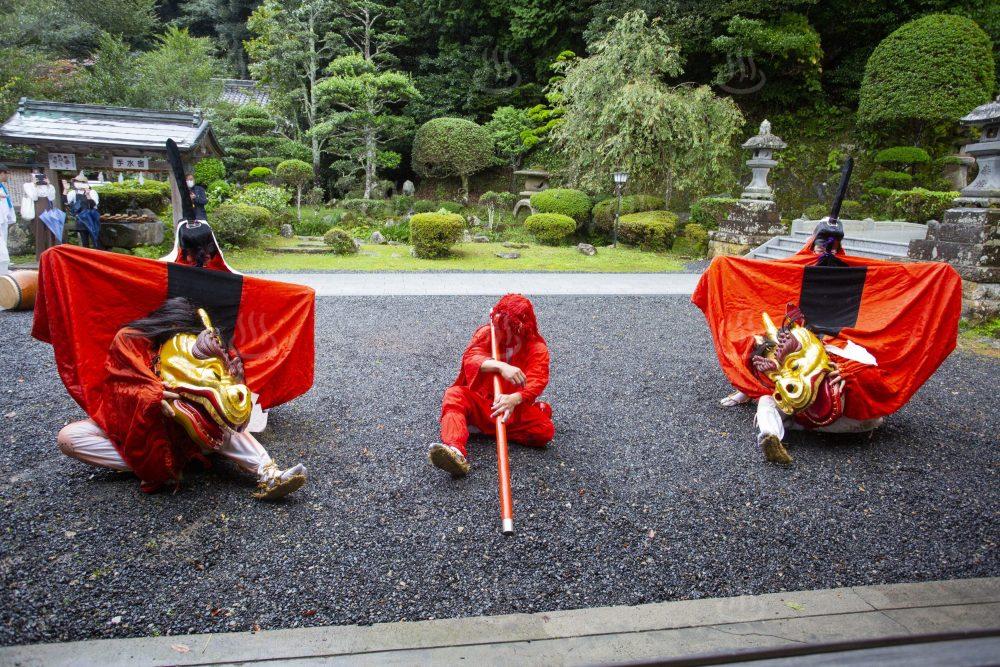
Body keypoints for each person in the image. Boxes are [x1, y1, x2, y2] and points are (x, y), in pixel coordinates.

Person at [56, 297, 308, 499]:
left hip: (190, 427)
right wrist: (152, 395)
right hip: (134, 423)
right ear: (171, 326)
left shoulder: (200, 343)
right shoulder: (131, 338)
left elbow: (225, 383)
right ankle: (159, 466)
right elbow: (121, 386)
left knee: (218, 415)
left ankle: (269, 472)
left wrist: (234, 379)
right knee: (69, 438)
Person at [429, 294, 554, 476]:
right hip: (483, 400)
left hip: (511, 408)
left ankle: (474, 425)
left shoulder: (536, 347)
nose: (503, 330)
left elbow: (538, 379)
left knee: (545, 431)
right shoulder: (488, 333)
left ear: (521, 326)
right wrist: (501, 366)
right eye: (500, 323)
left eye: (509, 326)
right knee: (454, 394)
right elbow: (471, 358)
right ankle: (455, 449)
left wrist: (515, 398)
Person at [22, 169, 59, 258]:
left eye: (39, 174)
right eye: (35, 174)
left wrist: (49, 184)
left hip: (48, 208)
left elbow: (51, 197)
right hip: (37, 207)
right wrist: (34, 185)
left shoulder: (48, 186)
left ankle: (51, 253)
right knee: (39, 231)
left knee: (50, 231)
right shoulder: (28, 185)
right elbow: (34, 197)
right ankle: (41, 255)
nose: (37, 176)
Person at [64, 174, 102, 249]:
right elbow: (66, 202)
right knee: (84, 241)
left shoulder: (92, 192)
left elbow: (93, 205)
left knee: (96, 239)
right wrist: (65, 190)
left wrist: (88, 195)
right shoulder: (73, 193)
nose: (76, 183)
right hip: (81, 219)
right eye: (75, 181)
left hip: (91, 219)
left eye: (78, 181)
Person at [0, 164, 16, 274]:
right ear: (2, 173)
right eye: (6, 174)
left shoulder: (2, 186)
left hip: (3, 218)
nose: (7, 176)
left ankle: (4, 266)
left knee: (3, 242)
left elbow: (6, 203)